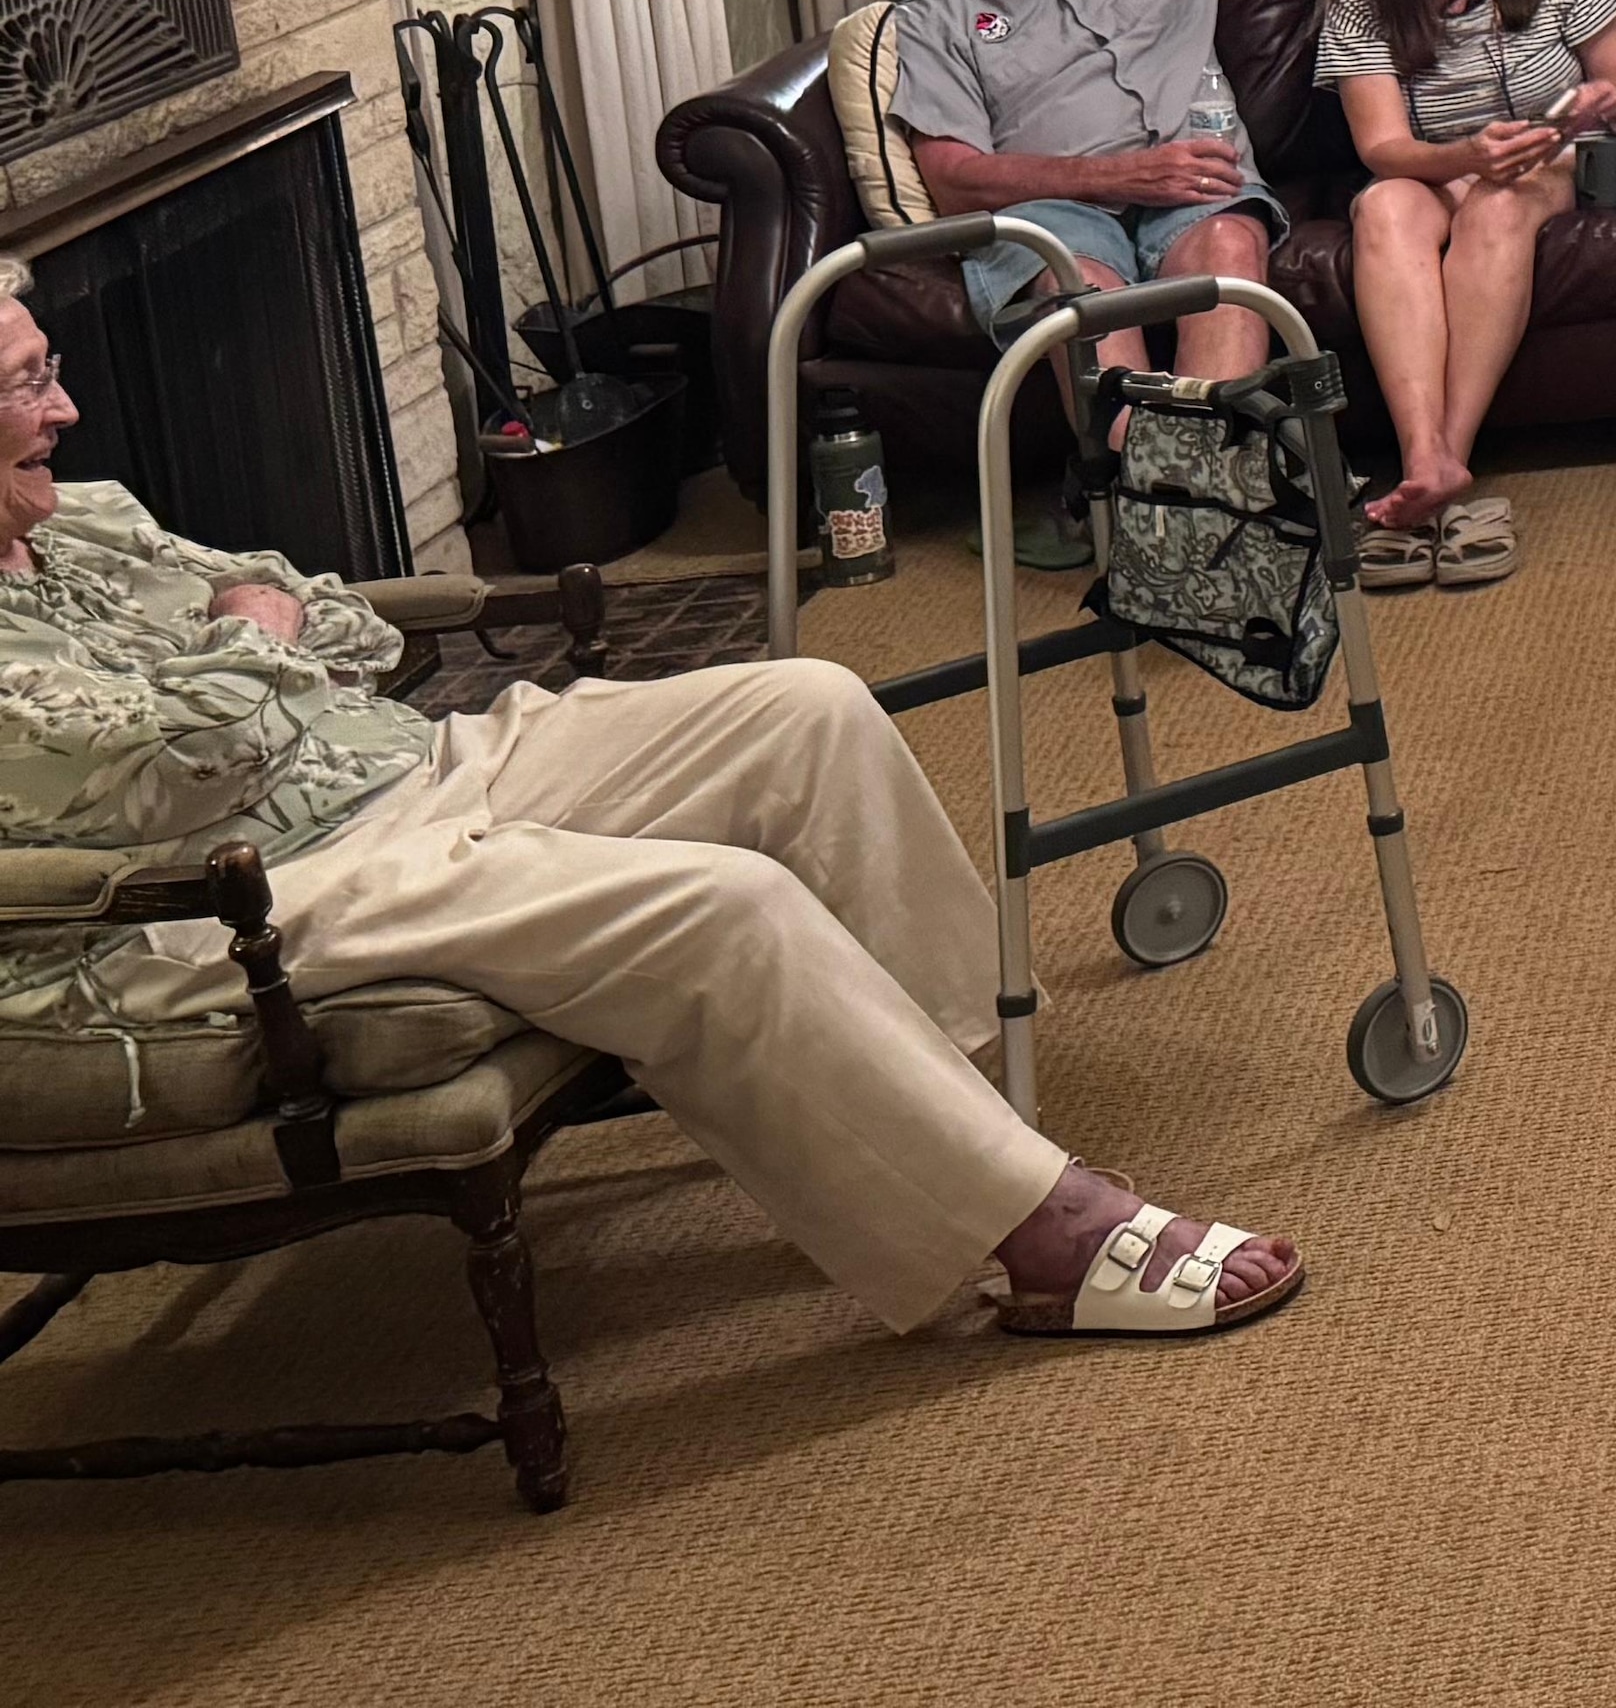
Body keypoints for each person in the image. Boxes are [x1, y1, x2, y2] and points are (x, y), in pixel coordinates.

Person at [0, 264, 1299, 1339]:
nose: (65, 407)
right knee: (719, 907)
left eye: (47, 365)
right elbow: (187, 764)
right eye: (23, 384)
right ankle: (1040, 1229)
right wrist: (252, 640)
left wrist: (255, 647)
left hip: (406, 762)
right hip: (230, 898)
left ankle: (964, 1115)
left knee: (808, 709)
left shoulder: (86, 516)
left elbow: (332, 616)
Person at [888, 0, 1378, 426]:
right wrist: (1119, 176)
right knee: (1081, 288)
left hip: (1194, 182)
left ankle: (1203, 473)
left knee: (1228, 242)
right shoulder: (933, 21)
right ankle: (1143, 477)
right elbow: (954, 181)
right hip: (1056, 212)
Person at [1309, 0, 1616, 593]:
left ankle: (1446, 462)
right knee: (1383, 205)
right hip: (1444, 165)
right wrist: (1465, 153)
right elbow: (1382, 148)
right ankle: (1422, 458)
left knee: (1502, 199)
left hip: (1577, 162)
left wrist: (1611, 101)